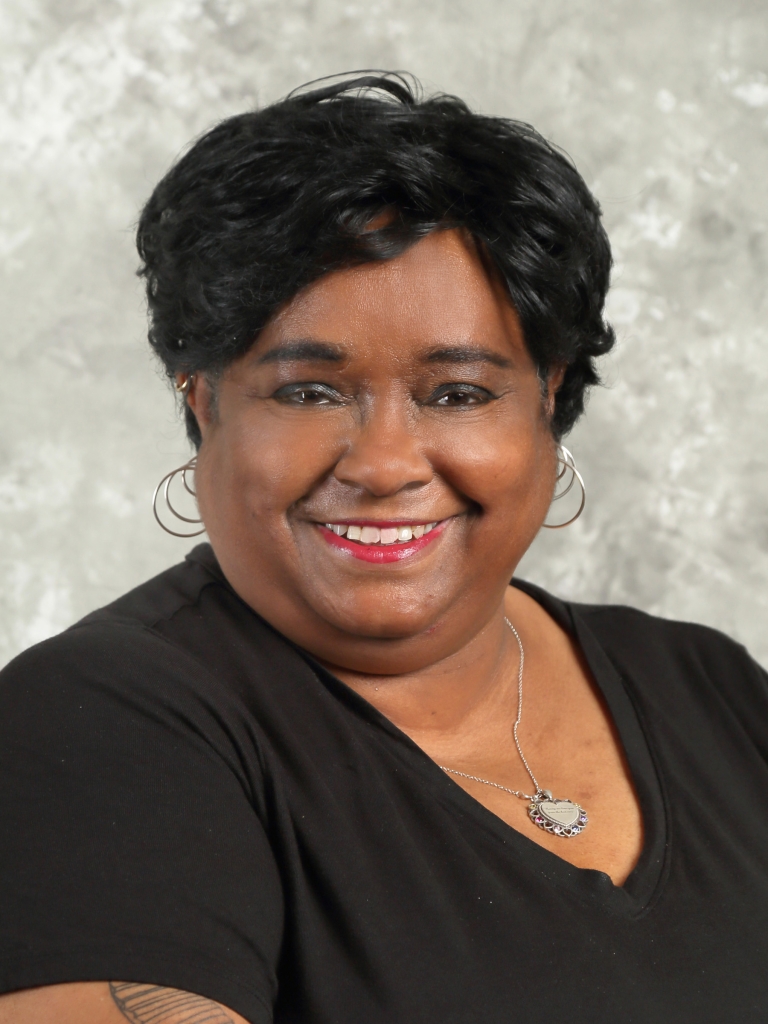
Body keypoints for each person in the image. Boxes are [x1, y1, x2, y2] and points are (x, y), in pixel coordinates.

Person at [0, 73, 766, 1024]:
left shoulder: (712, 689)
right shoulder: (95, 725)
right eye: (309, 392)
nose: (385, 464)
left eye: (458, 394)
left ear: (547, 401)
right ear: (205, 404)